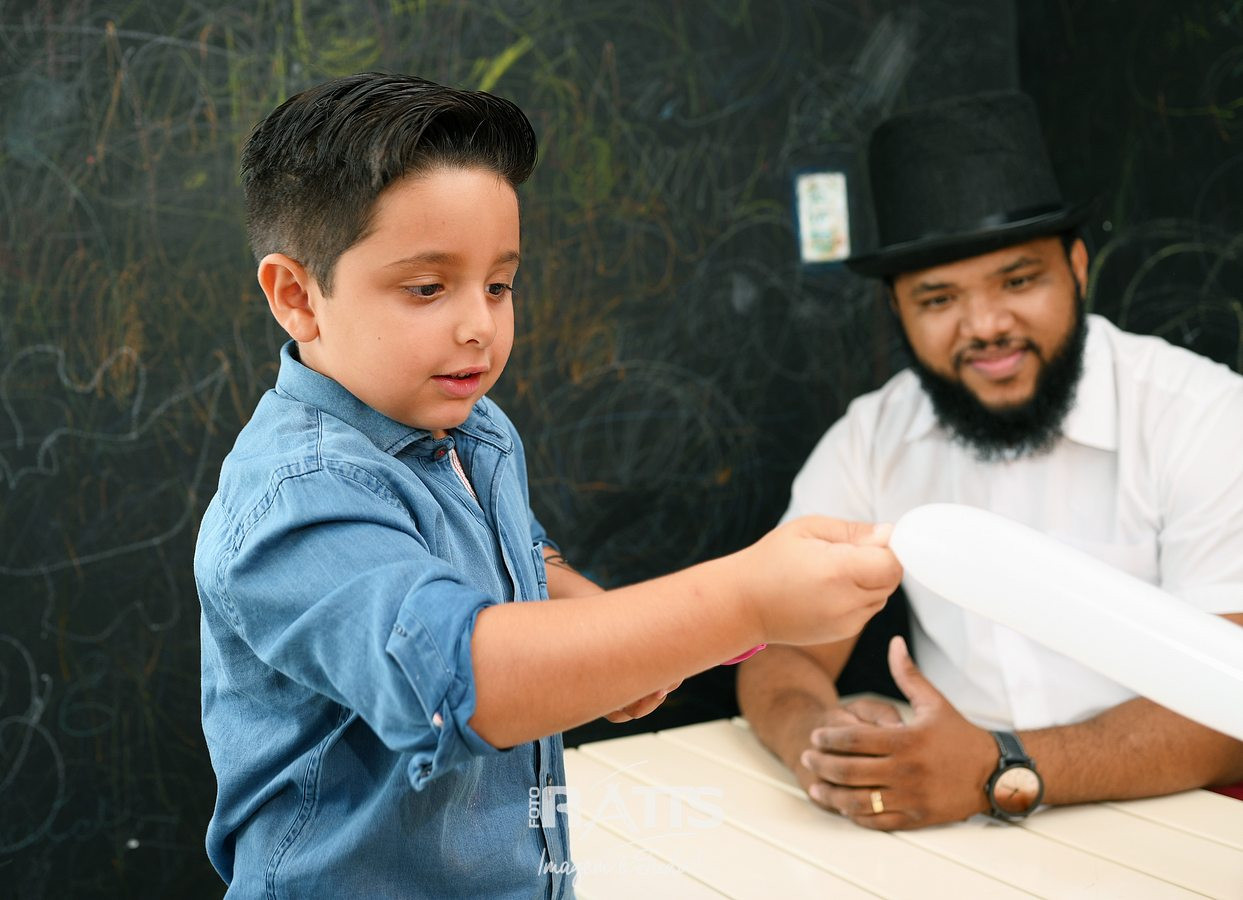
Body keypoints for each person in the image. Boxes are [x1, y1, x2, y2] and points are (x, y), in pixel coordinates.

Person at [193, 72, 903, 898]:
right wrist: (744, 602)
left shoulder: (473, 426)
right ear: (296, 296)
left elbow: (515, 555)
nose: (479, 326)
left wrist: (603, 626)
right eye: (426, 288)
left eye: (499, 285)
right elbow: (464, 682)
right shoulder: (299, 497)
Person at [737, 90, 1243, 831]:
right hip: (959, 831)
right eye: (938, 299)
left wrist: (998, 767)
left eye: (1018, 280)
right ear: (898, 311)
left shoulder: (1201, 415)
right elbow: (775, 648)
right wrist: (827, 744)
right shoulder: (874, 437)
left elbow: (1232, 706)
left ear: (1076, 267)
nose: (985, 326)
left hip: (1183, 822)